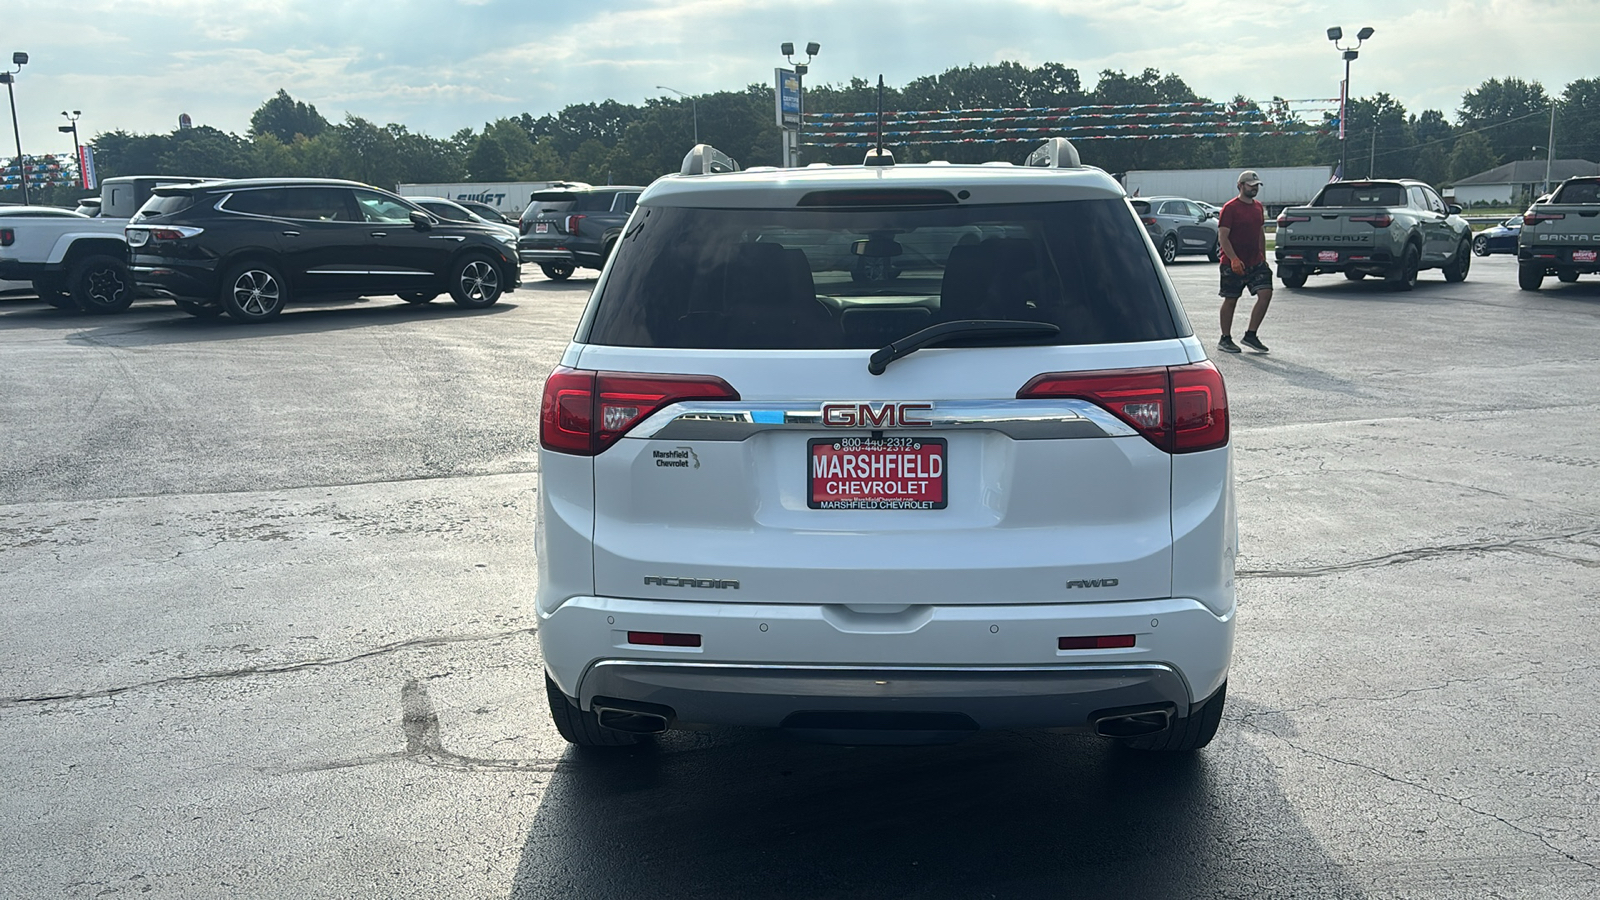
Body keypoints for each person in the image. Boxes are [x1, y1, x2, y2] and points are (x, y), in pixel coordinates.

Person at [1216, 170, 1272, 354]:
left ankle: (1251, 335)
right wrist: (1233, 259)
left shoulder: (1258, 207)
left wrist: (1262, 256)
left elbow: (1260, 233)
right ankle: (1225, 338)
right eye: (1251, 185)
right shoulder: (1230, 208)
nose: (1254, 188)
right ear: (1240, 186)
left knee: (1265, 293)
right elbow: (1223, 236)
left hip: (1255, 261)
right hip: (1233, 261)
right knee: (1231, 299)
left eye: (1257, 186)